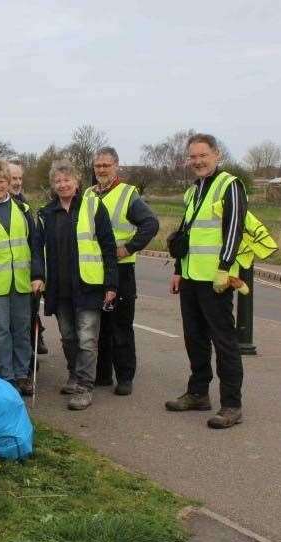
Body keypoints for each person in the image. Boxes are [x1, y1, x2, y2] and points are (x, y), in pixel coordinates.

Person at [166, 133, 247, 429]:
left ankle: (231, 405)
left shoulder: (230, 186)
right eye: (193, 157)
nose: (198, 161)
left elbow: (234, 230)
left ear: (216, 155)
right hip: (190, 276)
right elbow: (186, 235)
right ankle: (198, 393)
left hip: (216, 279)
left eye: (203, 155)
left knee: (224, 341)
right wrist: (177, 268)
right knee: (195, 338)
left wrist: (224, 268)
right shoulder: (193, 191)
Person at [37, 160, 118, 410]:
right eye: (58, 181)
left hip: (88, 286)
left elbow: (108, 247)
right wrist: (39, 276)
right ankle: (74, 375)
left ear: (77, 181)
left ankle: (85, 386)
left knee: (86, 339)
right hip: (59, 288)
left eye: (67, 179)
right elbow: (38, 251)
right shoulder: (46, 213)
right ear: (53, 185)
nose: (63, 184)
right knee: (68, 337)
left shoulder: (93, 206)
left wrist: (111, 283)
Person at [87, 147, 159, 396]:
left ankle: (125, 377)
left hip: (121, 270)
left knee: (120, 325)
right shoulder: (88, 194)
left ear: (116, 166)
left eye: (106, 165)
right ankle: (102, 374)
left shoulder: (127, 194)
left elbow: (150, 224)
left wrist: (128, 248)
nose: (102, 170)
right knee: (100, 325)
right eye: (98, 166)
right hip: (95, 270)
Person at [0, 160, 45, 396]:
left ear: (9, 182)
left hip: (22, 282)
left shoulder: (23, 209)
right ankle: (6, 377)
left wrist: (38, 275)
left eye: (3, 181)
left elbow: (35, 246)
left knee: (22, 330)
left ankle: (23, 375)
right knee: (0, 330)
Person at [9, 162, 49, 357]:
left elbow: (34, 245)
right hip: (2, 280)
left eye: (19, 178)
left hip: (25, 277)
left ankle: (29, 357)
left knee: (26, 321)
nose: (16, 182)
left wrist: (38, 274)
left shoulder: (24, 205)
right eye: (12, 178)